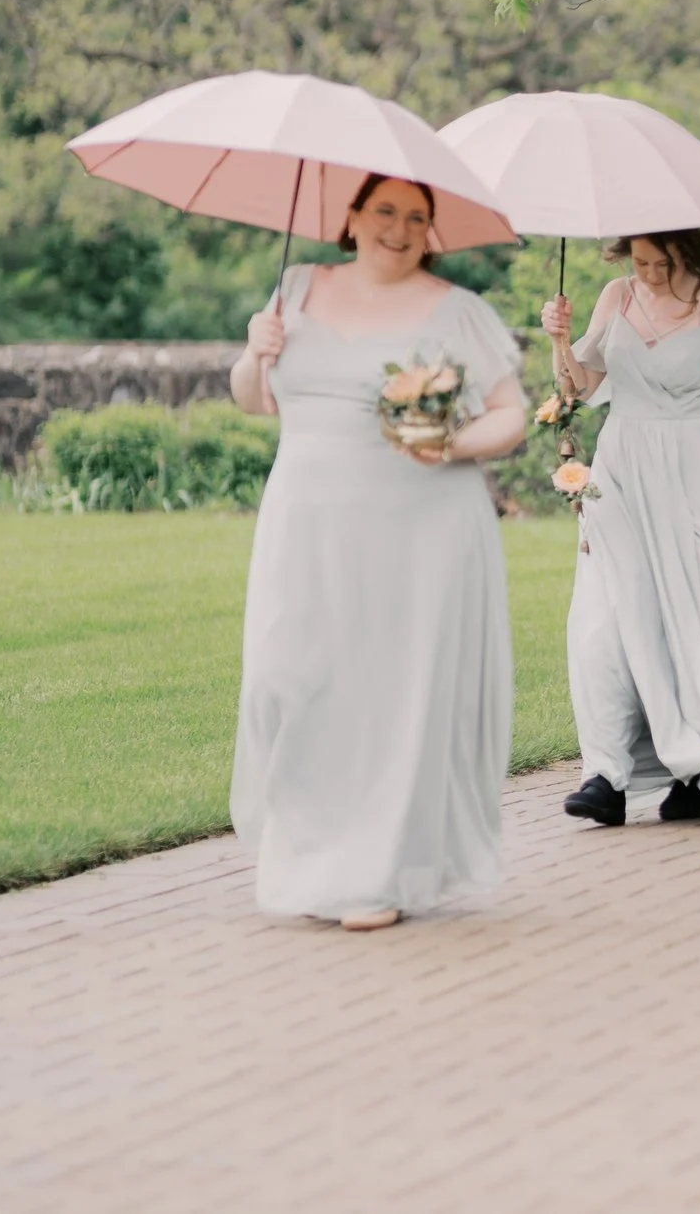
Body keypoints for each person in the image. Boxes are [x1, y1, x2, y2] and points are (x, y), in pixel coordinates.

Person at [228, 174, 528, 932]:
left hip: (420, 526)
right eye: (385, 210)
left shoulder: (459, 311)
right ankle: (307, 857)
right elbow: (255, 399)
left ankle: (373, 872)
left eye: (416, 217)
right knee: (284, 678)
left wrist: (450, 442)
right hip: (306, 521)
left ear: (430, 230)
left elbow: (511, 413)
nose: (399, 227)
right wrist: (252, 351)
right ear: (352, 216)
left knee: (392, 694)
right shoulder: (294, 287)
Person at [538, 229, 700, 828]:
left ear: (690, 254)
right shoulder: (616, 296)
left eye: (663, 263)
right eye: (640, 262)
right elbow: (579, 386)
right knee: (606, 620)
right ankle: (604, 774)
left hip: (691, 472)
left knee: (693, 622)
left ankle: (698, 772)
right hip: (621, 470)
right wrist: (559, 341)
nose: (650, 274)